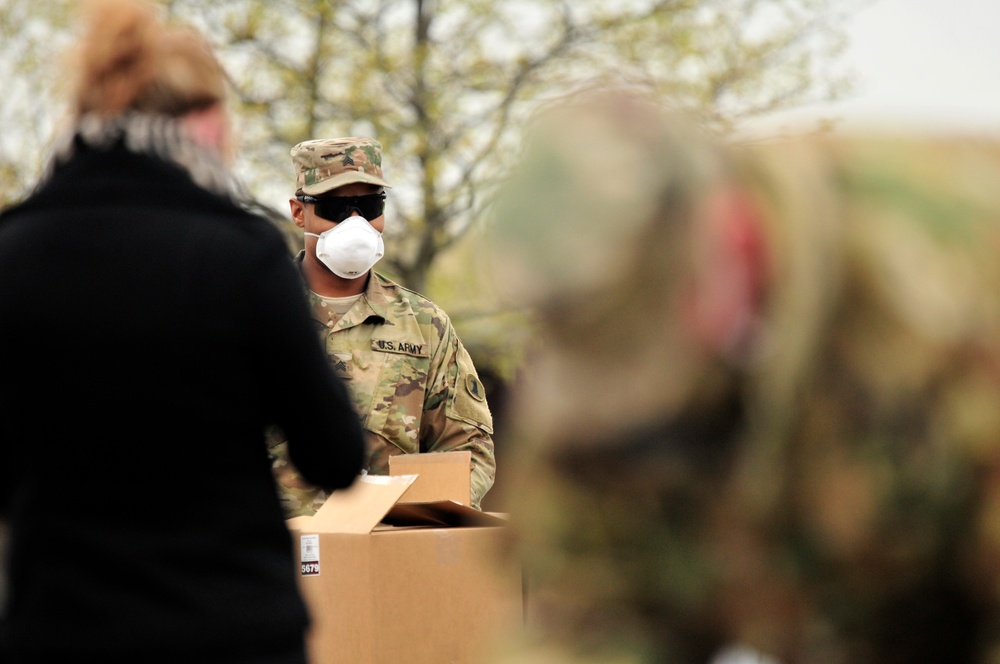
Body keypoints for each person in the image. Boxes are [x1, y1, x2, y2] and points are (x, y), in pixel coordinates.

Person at [485, 85, 1000, 664]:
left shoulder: (952, 269)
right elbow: (584, 605)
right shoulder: (589, 359)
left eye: (640, 353)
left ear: (727, 243)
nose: (637, 404)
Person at [0, 1, 366, 662]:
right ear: (201, 120)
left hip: (63, 632)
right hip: (229, 630)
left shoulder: (14, 254)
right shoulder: (241, 252)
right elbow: (334, 456)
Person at [268, 137, 497, 514]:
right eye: (335, 207)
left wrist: (421, 521)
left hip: (385, 554)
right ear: (298, 212)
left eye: (371, 205)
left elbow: (468, 451)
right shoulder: (256, 317)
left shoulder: (425, 326)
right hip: (278, 556)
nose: (356, 222)